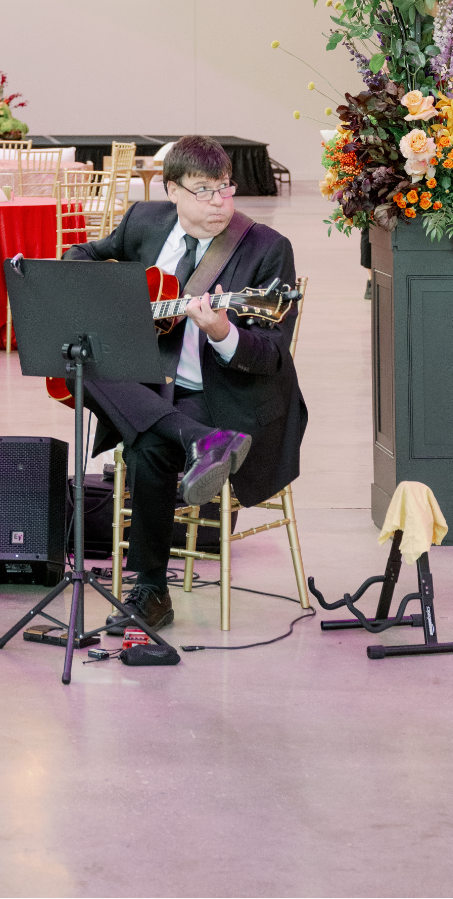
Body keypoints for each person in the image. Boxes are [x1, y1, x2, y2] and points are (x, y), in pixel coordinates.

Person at [63, 135, 306, 635]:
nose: (220, 201)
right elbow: (81, 255)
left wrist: (223, 332)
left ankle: (150, 589)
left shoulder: (266, 250)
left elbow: (271, 355)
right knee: (79, 364)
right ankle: (199, 443)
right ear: (171, 190)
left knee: (150, 443)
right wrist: (114, 302)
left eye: (225, 187)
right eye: (204, 190)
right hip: (157, 387)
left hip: (225, 395)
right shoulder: (143, 222)